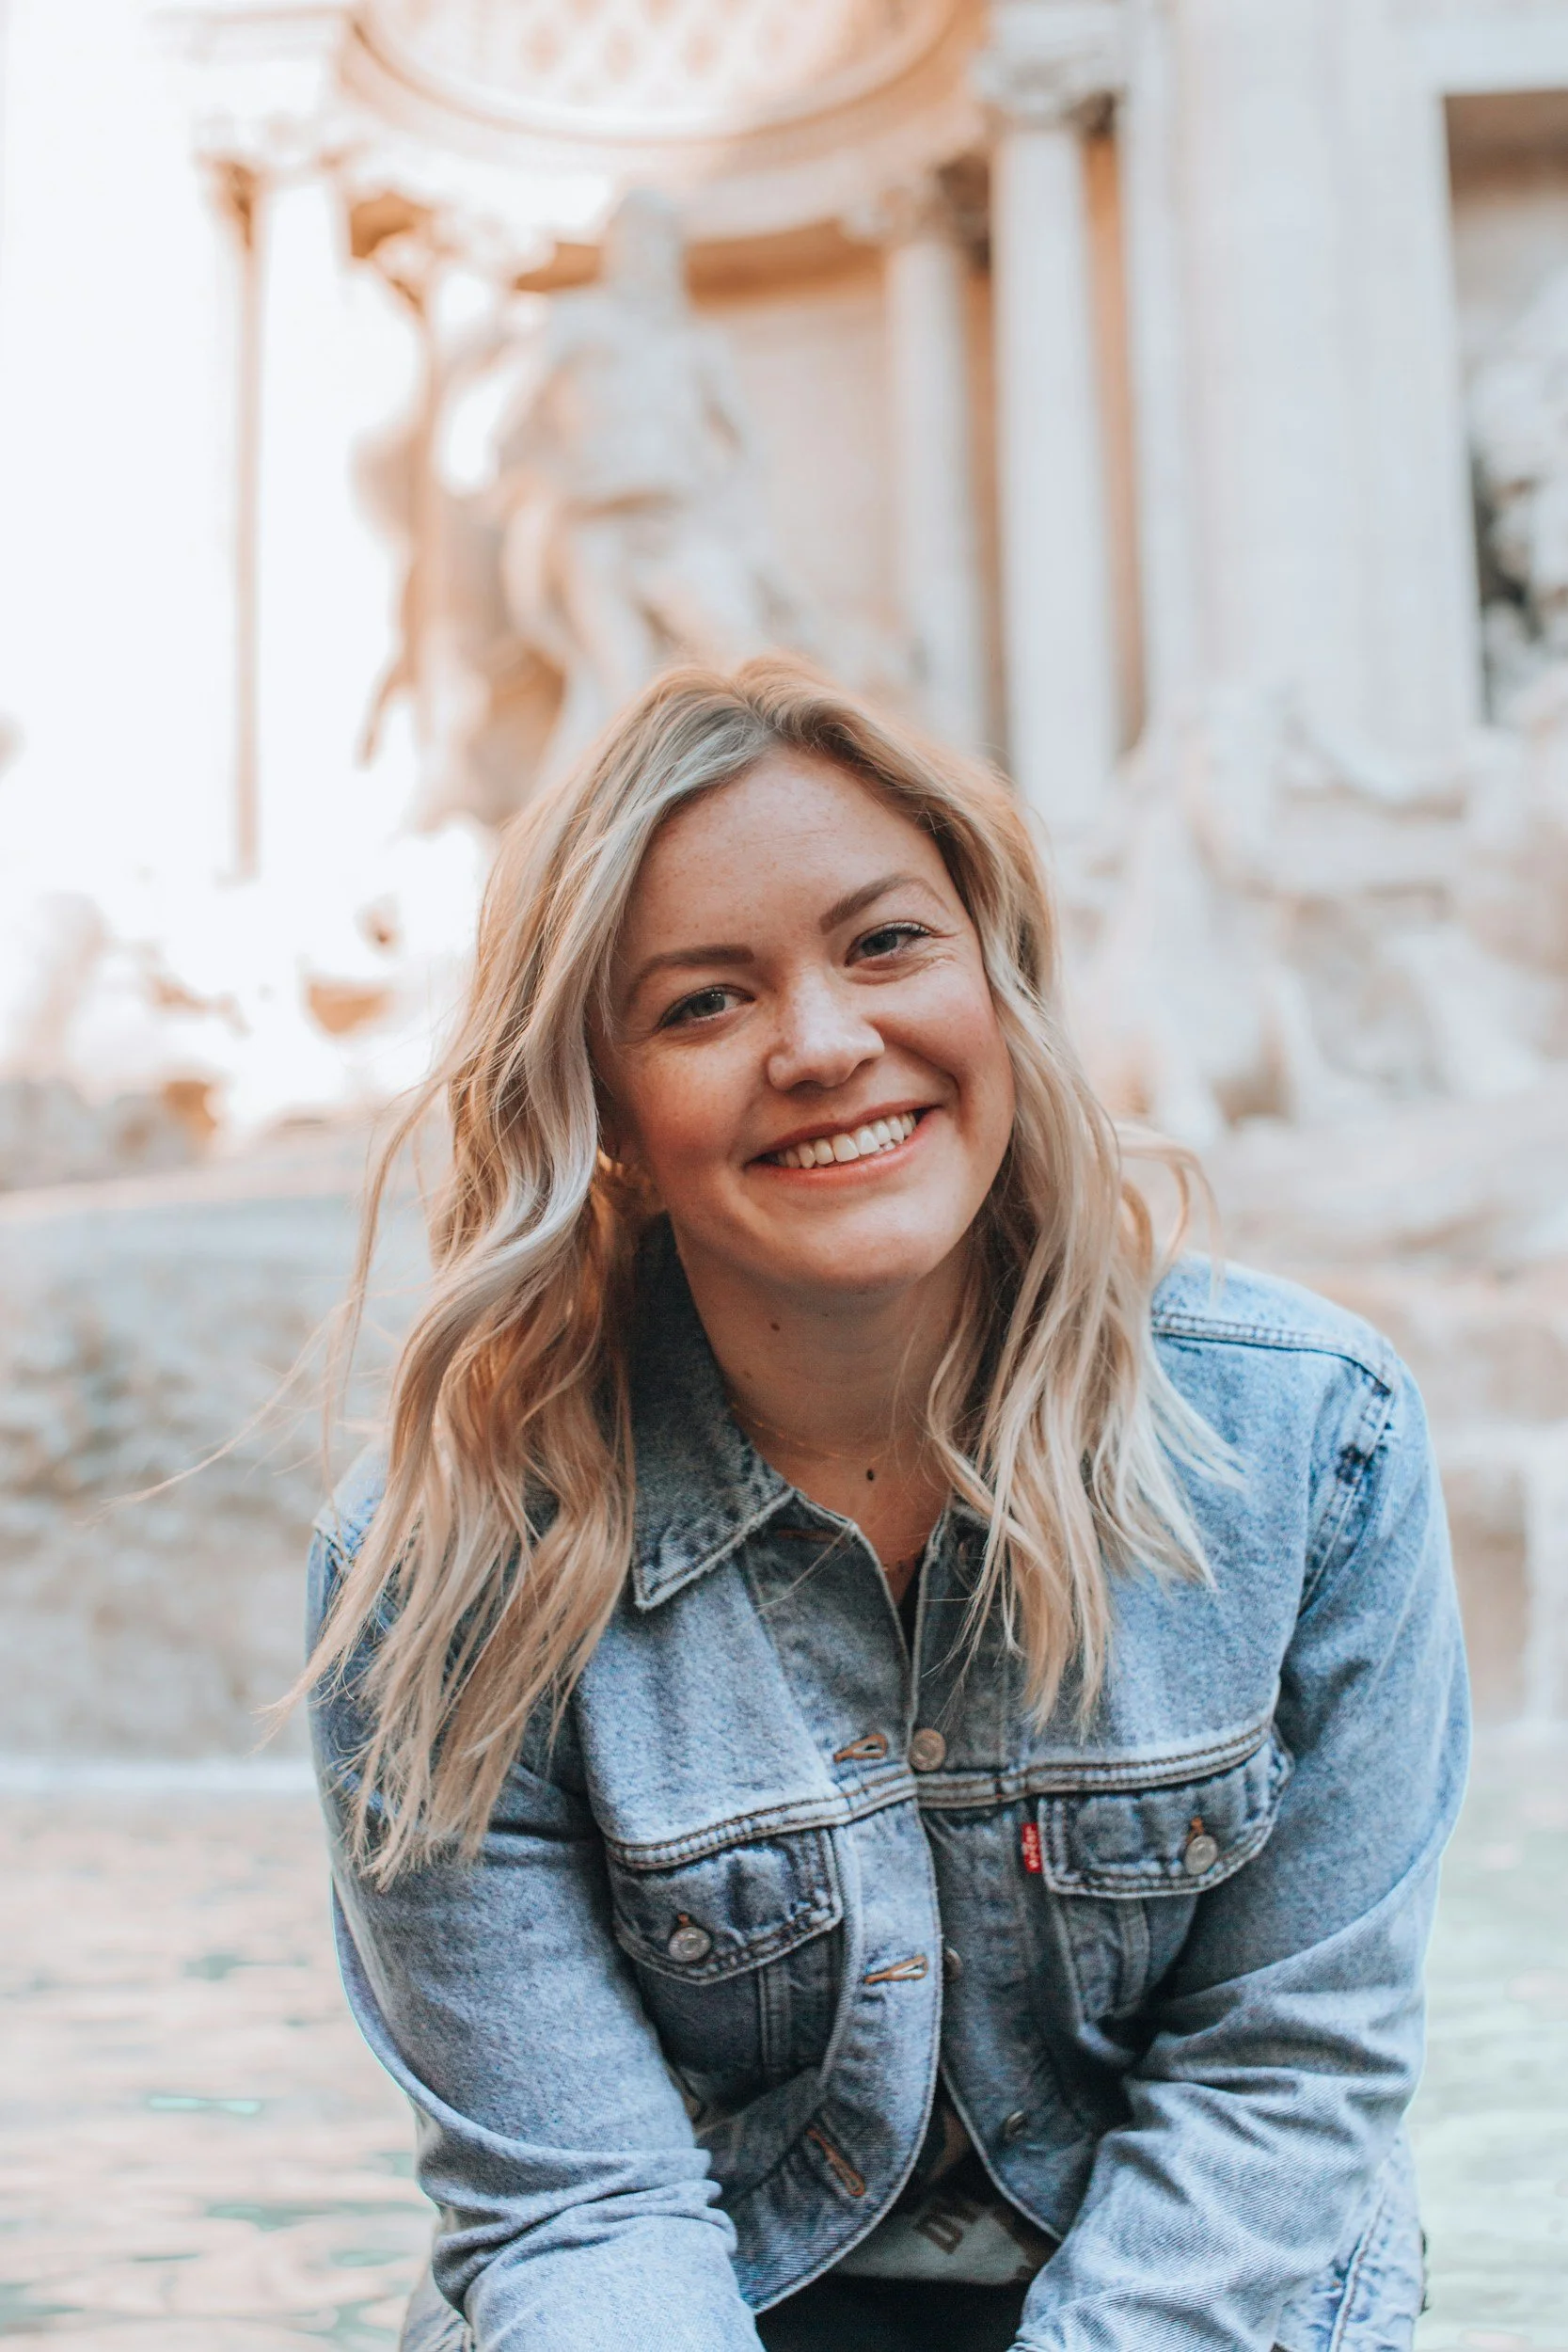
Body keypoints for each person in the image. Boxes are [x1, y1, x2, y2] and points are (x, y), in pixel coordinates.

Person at [301, 658, 1467, 2351]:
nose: (826, 1045)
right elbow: (579, 2207)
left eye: (885, 943)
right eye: (703, 1002)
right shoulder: (443, 1570)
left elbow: (1281, 2081)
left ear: (997, 976)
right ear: (607, 1112)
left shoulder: (1310, 1441)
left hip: (1204, 2298)